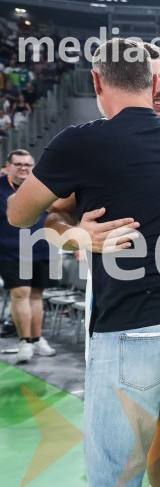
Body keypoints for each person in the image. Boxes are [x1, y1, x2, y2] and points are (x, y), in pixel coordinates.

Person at [7, 39, 160, 487]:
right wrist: (75, 233)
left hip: (134, 325)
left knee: (112, 484)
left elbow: (20, 212)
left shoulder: (81, 141)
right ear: (152, 83)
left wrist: (75, 233)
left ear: (97, 81)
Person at [0, 149, 56, 363]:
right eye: (19, 164)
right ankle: (24, 341)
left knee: (36, 295)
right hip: (10, 251)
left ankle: (36, 338)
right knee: (20, 293)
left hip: (40, 248)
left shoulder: (41, 185)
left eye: (27, 164)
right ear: (9, 166)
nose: (23, 167)